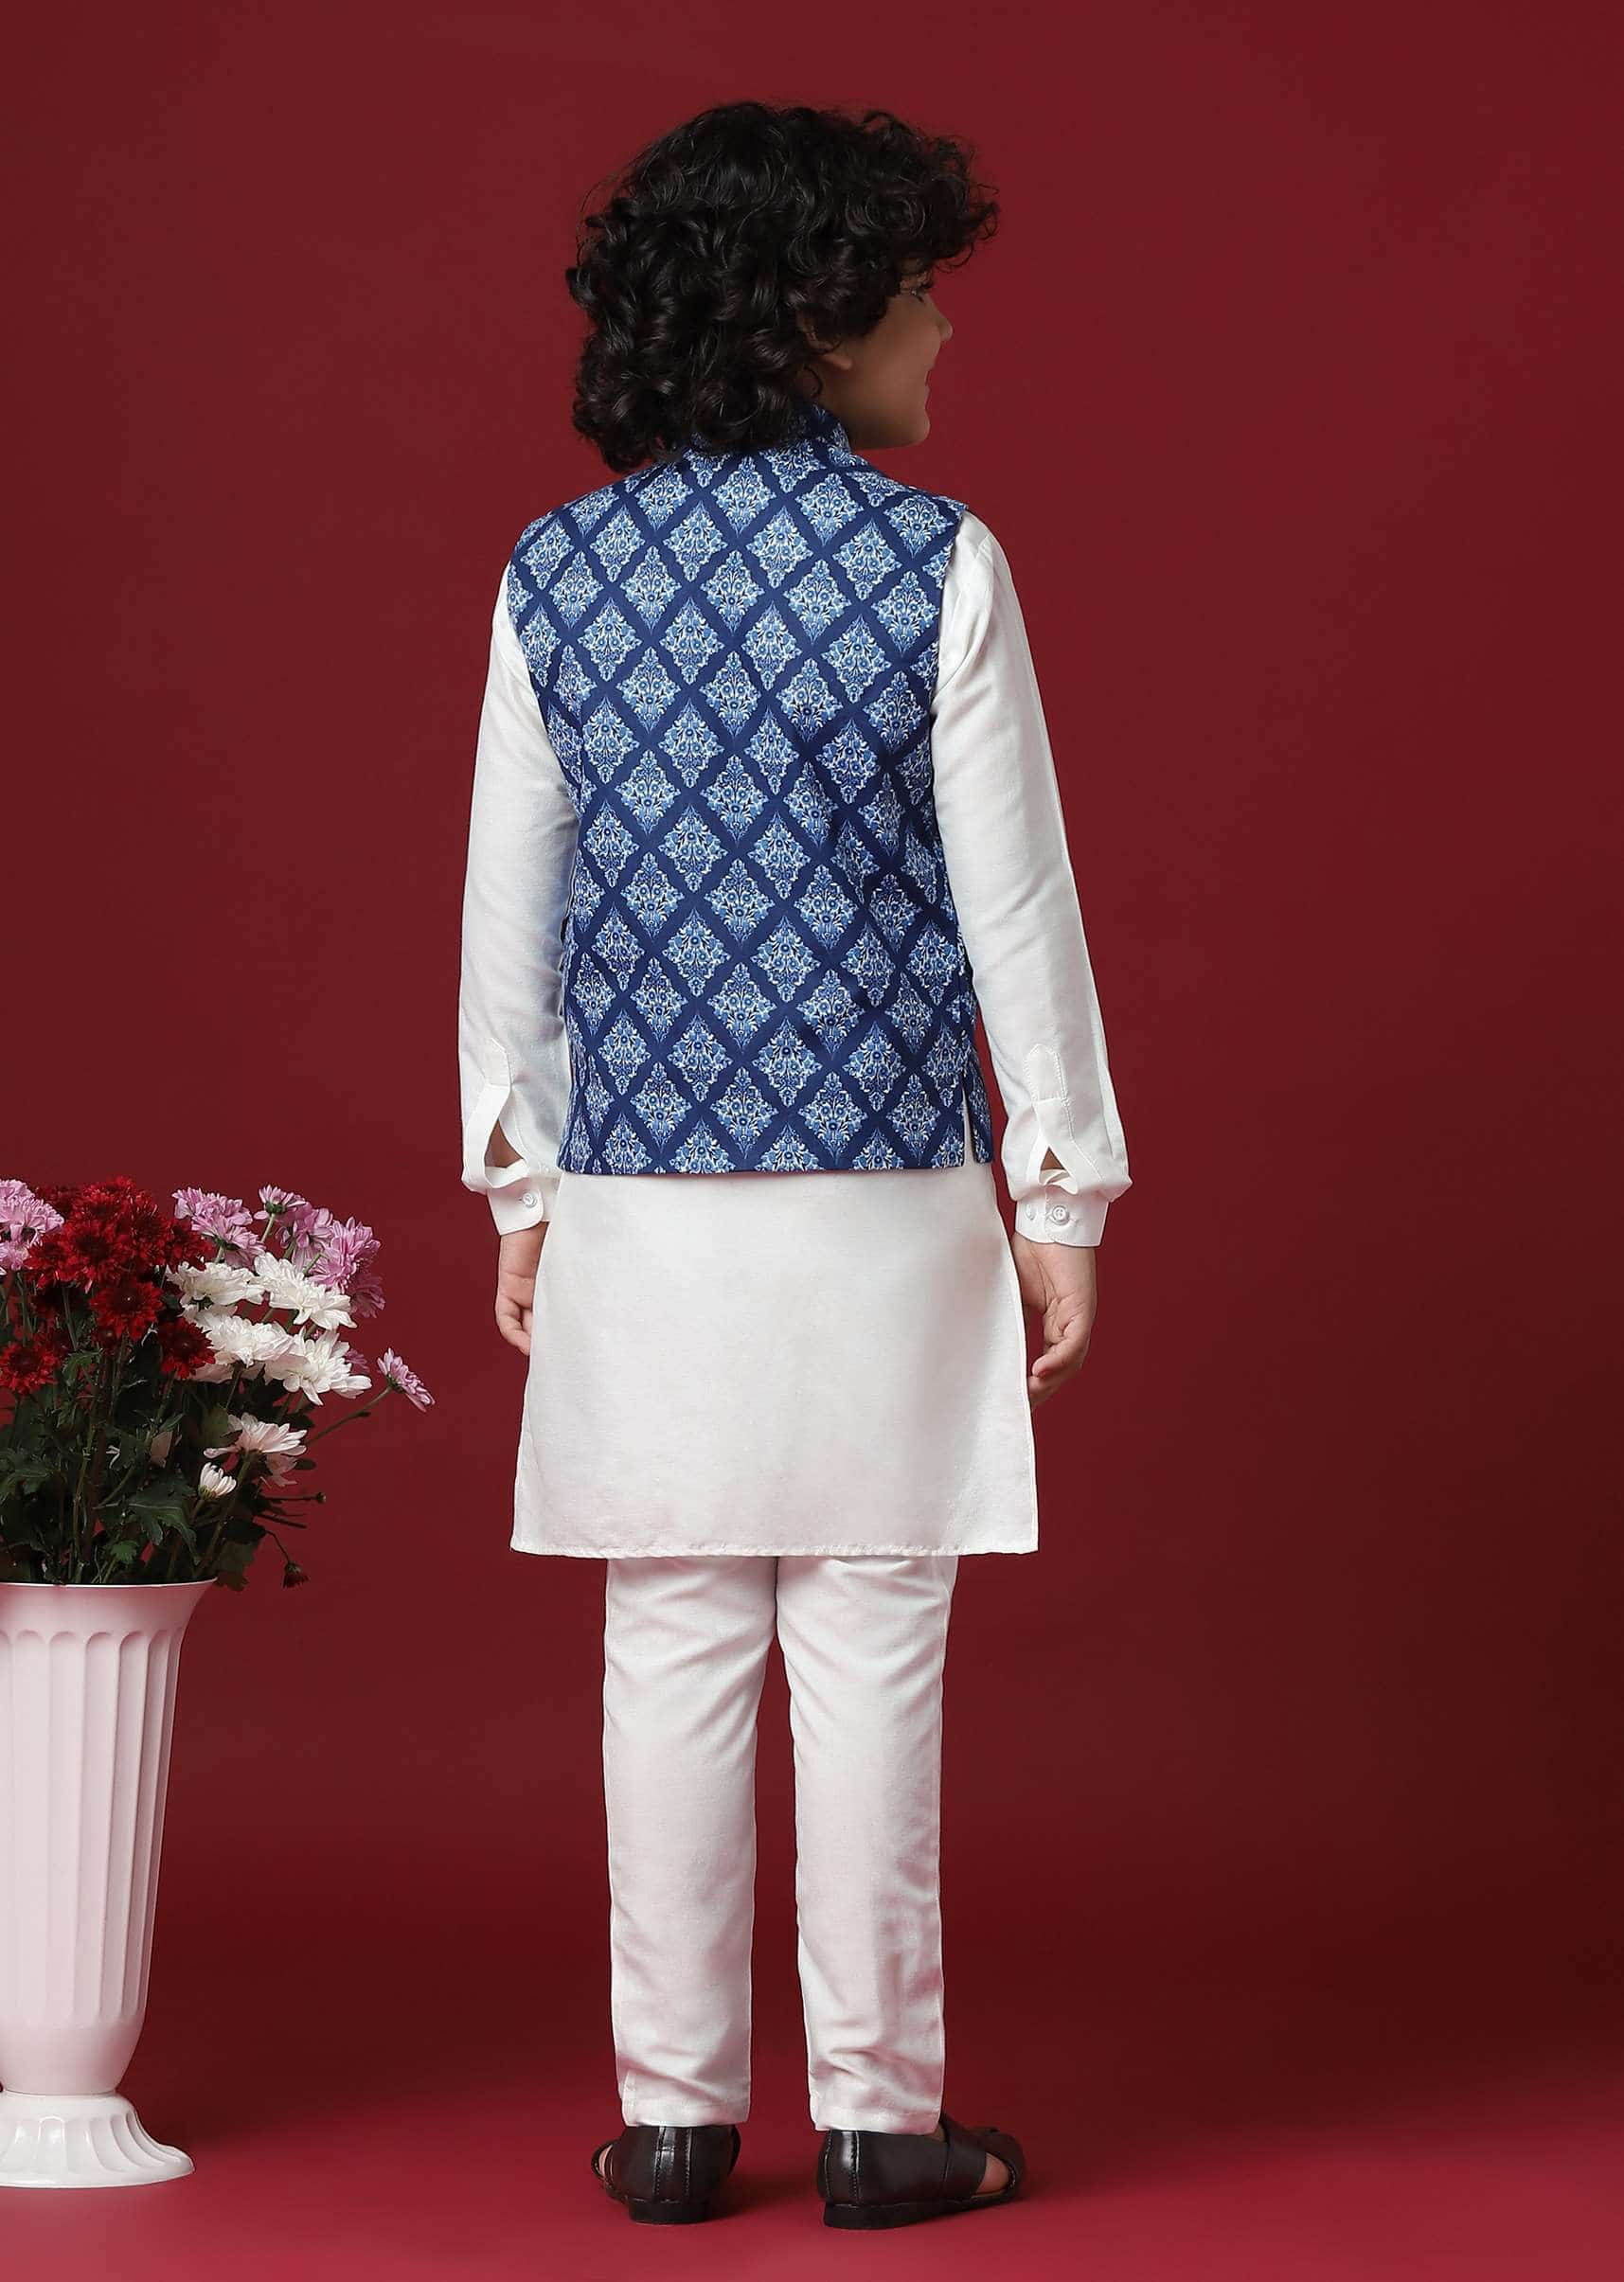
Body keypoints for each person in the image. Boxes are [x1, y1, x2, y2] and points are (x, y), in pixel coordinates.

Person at [456, 99, 1132, 2232]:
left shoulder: (556, 572)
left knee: (666, 1639)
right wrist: (1061, 1188)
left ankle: (671, 2121)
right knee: (870, 1639)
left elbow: (510, 920)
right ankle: (875, 2118)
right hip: (880, 1196)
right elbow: (1018, 909)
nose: (946, 331)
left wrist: (524, 1185)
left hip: (644, 1198)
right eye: (921, 294)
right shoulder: (935, 564)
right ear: (824, 321)